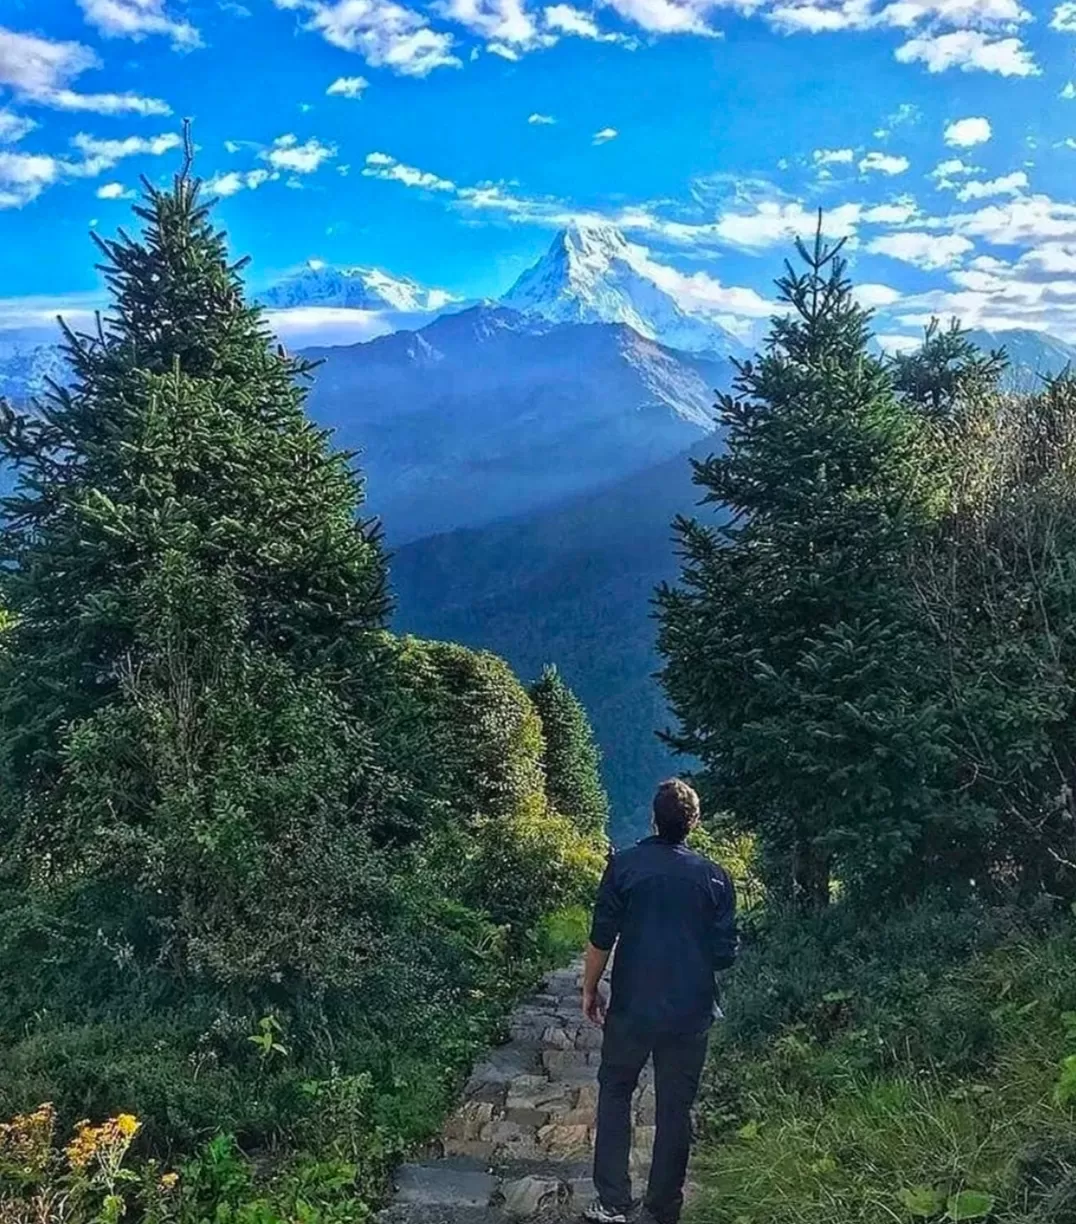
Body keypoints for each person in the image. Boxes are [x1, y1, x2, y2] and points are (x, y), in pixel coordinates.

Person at [581, 778, 738, 1224]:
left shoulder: (624, 867)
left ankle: (612, 1200)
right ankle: (663, 1207)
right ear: (695, 823)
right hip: (690, 1011)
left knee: (615, 1090)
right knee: (675, 1106)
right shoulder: (715, 877)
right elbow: (725, 954)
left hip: (632, 1005)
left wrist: (590, 989)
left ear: (653, 818)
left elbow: (601, 938)